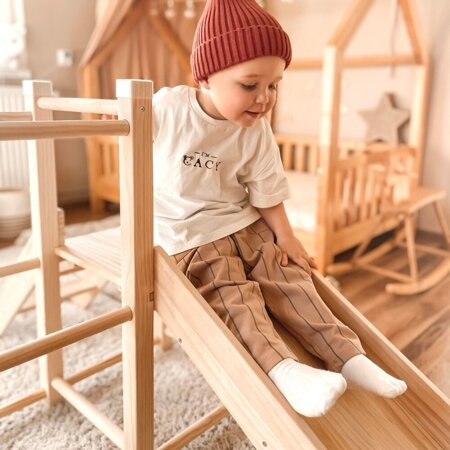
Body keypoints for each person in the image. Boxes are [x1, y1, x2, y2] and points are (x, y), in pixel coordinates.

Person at [153, 0, 407, 417]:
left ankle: (347, 356)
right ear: (205, 77)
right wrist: (118, 116)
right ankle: (286, 371)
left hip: (243, 222)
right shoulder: (169, 110)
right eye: (250, 85)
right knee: (232, 293)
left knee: (288, 276)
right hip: (191, 237)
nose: (264, 98)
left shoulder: (255, 129)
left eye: (274, 85)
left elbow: (267, 187)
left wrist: (286, 237)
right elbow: (126, 125)